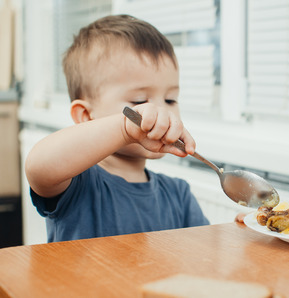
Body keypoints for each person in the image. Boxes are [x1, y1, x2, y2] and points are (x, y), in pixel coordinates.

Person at [25, 15, 210, 242]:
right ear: (86, 116)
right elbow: (38, 168)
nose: (162, 111)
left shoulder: (178, 196)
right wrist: (125, 128)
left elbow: (205, 256)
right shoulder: (77, 185)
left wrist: (238, 234)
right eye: (140, 101)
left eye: (171, 100)